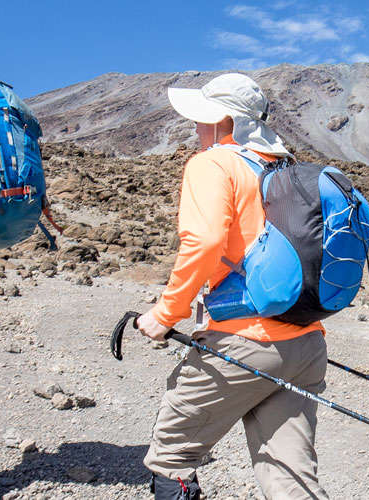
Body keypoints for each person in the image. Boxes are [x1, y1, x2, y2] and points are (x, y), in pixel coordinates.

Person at [135, 72, 331, 500]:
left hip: (242, 343)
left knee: (171, 459)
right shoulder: (285, 168)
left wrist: (165, 314)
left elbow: (204, 242)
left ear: (224, 121)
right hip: (306, 344)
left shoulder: (213, 163)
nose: (196, 127)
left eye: (202, 119)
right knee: (290, 475)